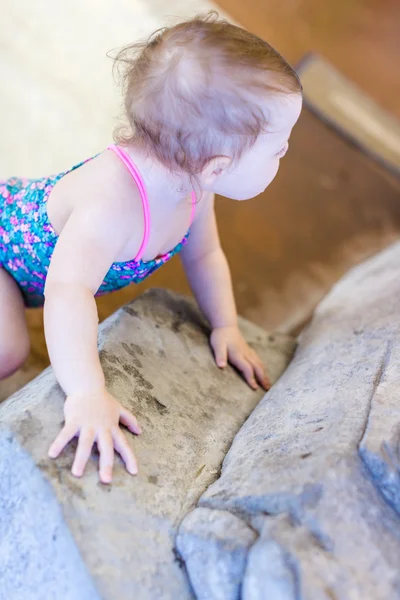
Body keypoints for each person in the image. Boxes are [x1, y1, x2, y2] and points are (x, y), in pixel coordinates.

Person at [0, 13, 302, 484]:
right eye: (279, 148)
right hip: (4, 256)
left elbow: (205, 256)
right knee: (8, 349)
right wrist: (86, 392)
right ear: (218, 166)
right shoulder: (108, 206)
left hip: (25, 273)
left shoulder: (194, 190)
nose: (286, 154)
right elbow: (67, 292)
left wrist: (225, 324)